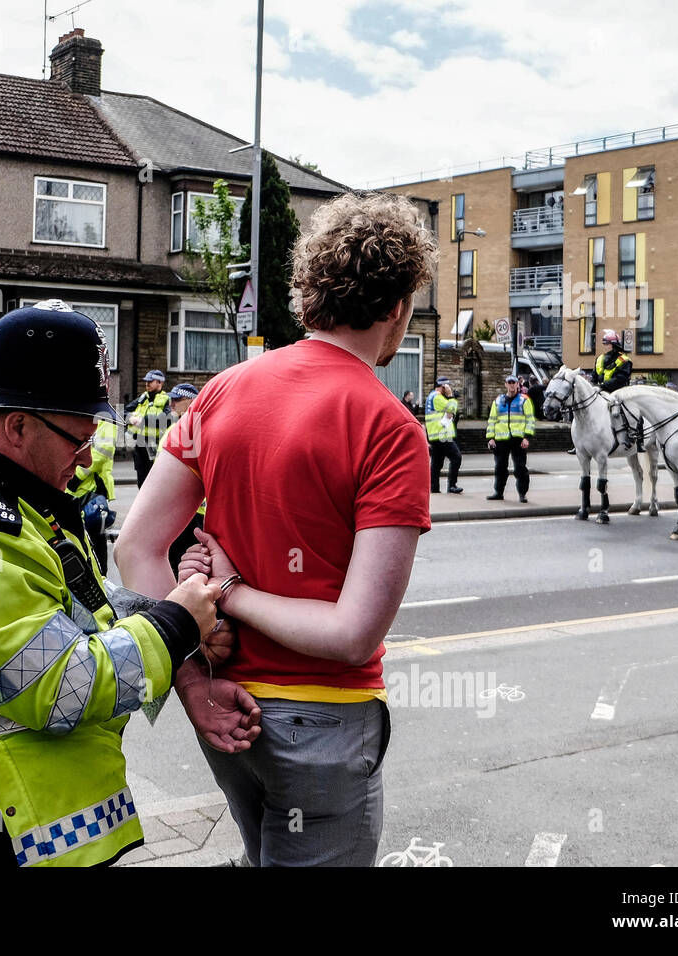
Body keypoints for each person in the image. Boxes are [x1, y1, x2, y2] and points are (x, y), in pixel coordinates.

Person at [0, 301, 258, 868]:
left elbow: (75, 613)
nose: (90, 456)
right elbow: (60, 685)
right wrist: (176, 621)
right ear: (18, 426)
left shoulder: (11, 500)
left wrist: (182, 647)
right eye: (77, 437)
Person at [116, 190, 437, 867]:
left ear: (308, 292)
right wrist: (230, 594)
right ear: (398, 305)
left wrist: (195, 682)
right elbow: (352, 636)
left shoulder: (222, 391)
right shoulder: (391, 428)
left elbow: (136, 549)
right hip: (322, 719)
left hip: (227, 710)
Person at [158, 382, 205, 572]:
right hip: (173, 509)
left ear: (191, 401)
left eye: (177, 400)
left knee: (186, 565)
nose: (171, 404)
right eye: (171, 399)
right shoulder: (176, 428)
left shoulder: (197, 431)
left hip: (193, 514)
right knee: (173, 561)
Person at [68, 413, 119, 574]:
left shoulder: (106, 418)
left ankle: (100, 577)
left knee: (95, 536)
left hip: (92, 487)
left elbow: (102, 453)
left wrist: (77, 476)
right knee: (78, 536)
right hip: (76, 488)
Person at [486, 374, 535, 502]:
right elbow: (492, 421)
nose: (512, 385)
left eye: (514, 383)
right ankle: (498, 492)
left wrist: (526, 437)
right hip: (501, 439)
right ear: (506, 384)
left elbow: (530, 420)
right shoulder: (498, 401)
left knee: (520, 468)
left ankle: (522, 494)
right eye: (510, 383)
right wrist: (491, 438)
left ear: (518, 385)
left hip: (518, 439)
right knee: (500, 468)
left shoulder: (524, 400)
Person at [126, 370, 172, 487]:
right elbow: (123, 411)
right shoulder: (143, 398)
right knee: (141, 480)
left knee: (155, 481)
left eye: (150, 382)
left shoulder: (167, 400)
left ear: (160, 383)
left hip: (155, 445)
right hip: (139, 445)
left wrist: (143, 420)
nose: (147, 384)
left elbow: (167, 419)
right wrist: (130, 418)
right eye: (146, 382)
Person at [424, 376, 462, 494]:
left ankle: (434, 488)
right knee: (456, 457)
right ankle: (452, 485)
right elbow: (452, 409)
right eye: (447, 386)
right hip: (442, 434)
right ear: (443, 387)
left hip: (435, 435)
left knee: (436, 463)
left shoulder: (431, 396)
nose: (449, 388)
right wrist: (451, 396)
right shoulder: (437, 397)